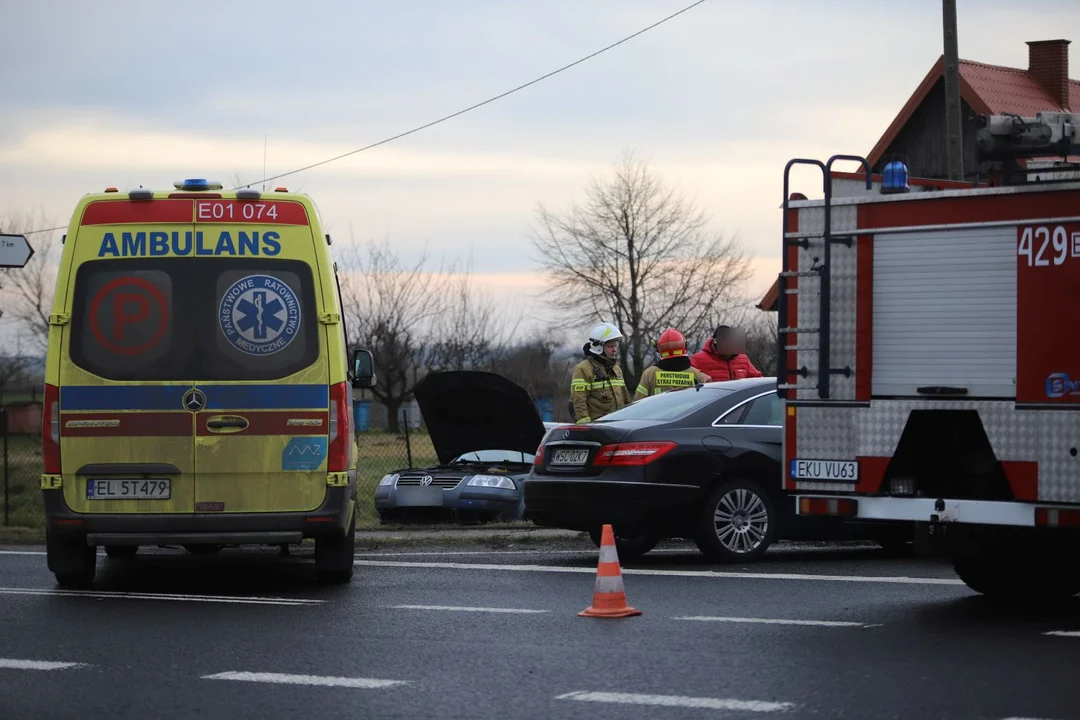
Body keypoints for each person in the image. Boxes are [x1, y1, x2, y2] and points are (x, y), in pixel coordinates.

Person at [570, 322, 632, 423]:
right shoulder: (582, 369)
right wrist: (586, 427)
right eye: (610, 346)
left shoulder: (616, 369)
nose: (614, 350)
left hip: (619, 426)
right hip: (597, 429)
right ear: (598, 347)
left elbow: (626, 399)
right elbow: (578, 402)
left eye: (616, 346)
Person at [635, 328, 711, 398]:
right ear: (684, 346)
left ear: (660, 349)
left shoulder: (649, 374)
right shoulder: (696, 374)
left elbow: (638, 402)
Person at [690, 324, 763, 381]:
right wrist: (701, 378)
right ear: (715, 342)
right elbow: (681, 378)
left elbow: (758, 379)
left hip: (740, 400)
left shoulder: (743, 359)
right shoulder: (698, 360)